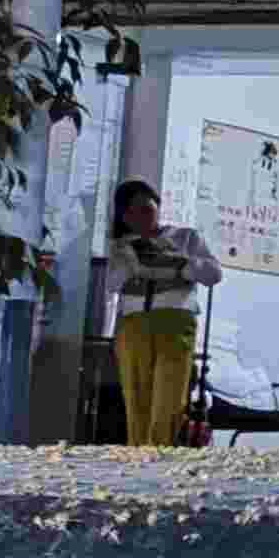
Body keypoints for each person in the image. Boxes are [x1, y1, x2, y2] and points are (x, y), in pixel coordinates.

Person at [104, 179, 222, 449]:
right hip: (133, 326)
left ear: (158, 207)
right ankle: (136, 463)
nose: (141, 216)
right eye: (132, 212)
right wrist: (131, 262)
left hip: (175, 323)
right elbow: (112, 284)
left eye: (147, 208)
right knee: (136, 405)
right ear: (124, 217)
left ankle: (161, 462)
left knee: (168, 404)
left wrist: (180, 263)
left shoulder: (185, 237)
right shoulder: (121, 246)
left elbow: (214, 274)